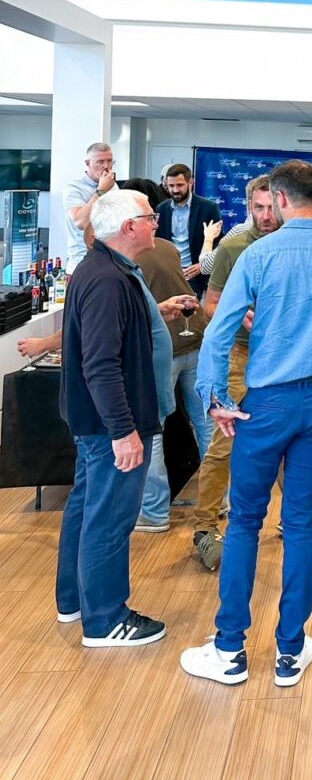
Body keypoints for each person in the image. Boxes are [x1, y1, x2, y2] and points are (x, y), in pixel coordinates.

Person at [181, 161, 312, 687]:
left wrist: (215, 398)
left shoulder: (258, 253)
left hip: (264, 404)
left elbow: (218, 330)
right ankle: (290, 652)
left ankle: (230, 648)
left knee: (246, 523)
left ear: (277, 199)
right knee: (300, 525)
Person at [56, 190, 192, 647]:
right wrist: (123, 431)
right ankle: (106, 618)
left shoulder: (107, 269)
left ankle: (75, 601)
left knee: (87, 508)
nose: (157, 223)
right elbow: (100, 363)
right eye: (150, 217)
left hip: (97, 421)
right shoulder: (108, 280)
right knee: (110, 517)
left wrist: (157, 312)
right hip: (110, 424)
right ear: (128, 227)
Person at [191, 176, 278, 572]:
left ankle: (295, 521)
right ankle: (205, 527)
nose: (265, 216)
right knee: (223, 446)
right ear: (248, 207)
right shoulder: (232, 248)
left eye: (270, 208)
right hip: (240, 359)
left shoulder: (295, 247)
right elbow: (211, 304)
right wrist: (232, 314)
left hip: (283, 362)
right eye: (257, 208)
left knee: (287, 446)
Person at [135, 235, 214, 532]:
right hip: (195, 336)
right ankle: (217, 500)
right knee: (207, 422)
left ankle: (154, 512)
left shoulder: (128, 256)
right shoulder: (167, 246)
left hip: (162, 346)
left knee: (152, 430)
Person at [156, 163, 222, 297]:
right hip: (169, 273)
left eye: (180, 185)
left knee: (194, 315)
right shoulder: (161, 209)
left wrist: (202, 265)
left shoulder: (208, 208)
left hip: (195, 274)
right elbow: (158, 241)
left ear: (191, 182)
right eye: (171, 186)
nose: (175, 190)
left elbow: (219, 244)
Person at [63, 141, 116, 274]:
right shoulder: (74, 188)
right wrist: (101, 191)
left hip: (107, 258)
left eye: (110, 161)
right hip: (81, 262)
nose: (106, 166)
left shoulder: (113, 186)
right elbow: (80, 222)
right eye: (100, 161)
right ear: (88, 163)